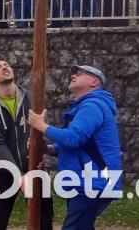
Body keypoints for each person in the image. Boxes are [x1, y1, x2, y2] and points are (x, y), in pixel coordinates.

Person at [29, 65, 122, 230]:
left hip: (91, 182)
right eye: (73, 72)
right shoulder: (87, 106)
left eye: (80, 73)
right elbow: (80, 145)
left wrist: (42, 126)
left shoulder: (92, 106)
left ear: (94, 81)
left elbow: (73, 138)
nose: (73, 75)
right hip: (86, 181)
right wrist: (48, 148)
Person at [0, 56, 52, 230]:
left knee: (44, 220)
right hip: (6, 168)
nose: (5, 67)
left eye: (6, 64)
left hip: (35, 166)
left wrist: (40, 151)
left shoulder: (33, 98)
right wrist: (19, 176)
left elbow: (42, 130)